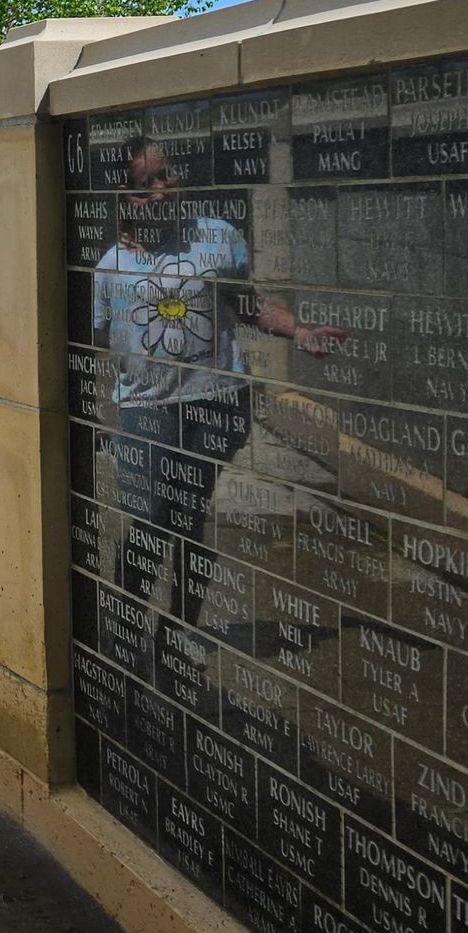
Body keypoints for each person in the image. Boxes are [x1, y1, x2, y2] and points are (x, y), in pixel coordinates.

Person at [92, 138, 340, 608]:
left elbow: (247, 305)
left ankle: (177, 633)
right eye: (148, 184)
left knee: (189, 517)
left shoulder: (216, 237)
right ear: (126, 196)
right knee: (148, 519)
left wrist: (298, 331)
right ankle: (126, 629)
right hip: (146, 409)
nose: (164, 190)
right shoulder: (109, 268)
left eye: (167, 176)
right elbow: (97, 342)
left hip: (215, 401)